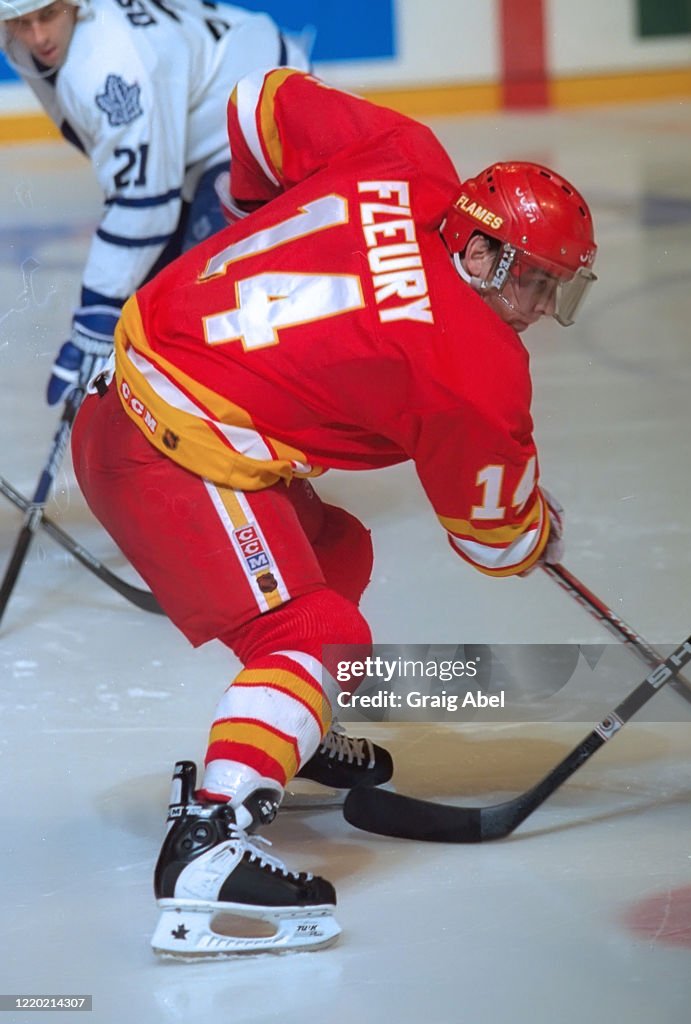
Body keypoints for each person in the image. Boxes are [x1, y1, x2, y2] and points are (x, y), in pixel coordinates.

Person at [70, 67, 597, 957]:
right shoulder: (475, 367)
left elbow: (256, 104)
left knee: (336, 547)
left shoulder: (405, 153)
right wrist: (540, 526)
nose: (544, 309)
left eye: (560, 290)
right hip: (164, 459)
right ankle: (210, 841)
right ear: (478, 254)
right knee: (311, 633)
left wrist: (253, 225)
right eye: (535, 283)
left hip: (126, 404)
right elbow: (498, 540)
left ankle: (293, 731)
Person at [0, 0, 310, 404]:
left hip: (256, 102)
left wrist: (94, 316)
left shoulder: (110, 61)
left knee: (206, 311)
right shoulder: (44, 42)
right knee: (151, 310)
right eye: (22, 23)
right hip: (208, 109)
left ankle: (241, 441)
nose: (38, 36)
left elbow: (144, 203)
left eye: (46, 16)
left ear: (75, 5)